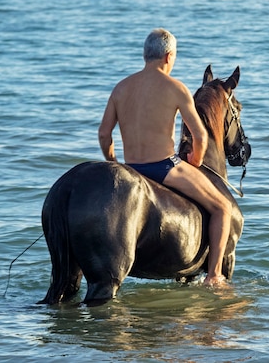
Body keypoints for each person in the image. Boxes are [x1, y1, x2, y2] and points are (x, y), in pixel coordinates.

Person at [98, 28, 232, 287]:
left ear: (145, 55)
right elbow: (201, 137)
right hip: (163, 167)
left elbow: (104, 134)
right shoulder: (176, 88)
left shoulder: (121, 88)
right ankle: (214, 276)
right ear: (169, 56)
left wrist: (114, 163)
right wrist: (194, 160)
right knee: (223, 208)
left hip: (132, 169)